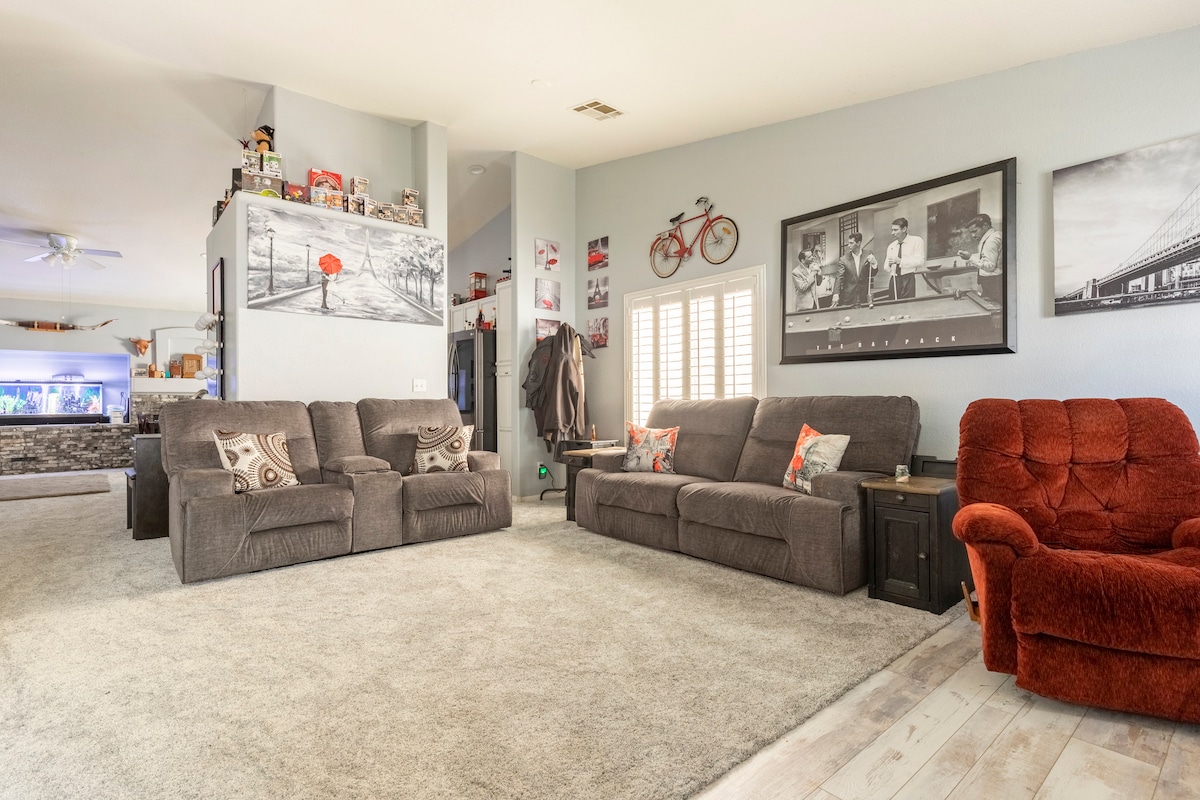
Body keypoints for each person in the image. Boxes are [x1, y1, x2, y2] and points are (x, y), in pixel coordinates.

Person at [957, 213, 1003, 302]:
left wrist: (970, 257)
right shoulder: (995, 235)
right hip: (993, 282)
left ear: (985, 226)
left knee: (992, 308)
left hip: (993, 283)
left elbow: (990, 266)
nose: (973, 235)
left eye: (975, 231)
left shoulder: (990, 241)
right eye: (971, 232)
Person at [833, 232, 878, 306]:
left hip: (864, 296)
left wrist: (874, 264)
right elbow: (839, 277)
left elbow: (872, 273)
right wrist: (836, 293)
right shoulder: (843, 259)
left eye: (851, 243)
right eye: (848, 243)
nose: (849, 245)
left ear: (858, 243)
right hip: (849, 297)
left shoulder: (868, 254)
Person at [884, 217, 925, 300]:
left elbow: (920, 261)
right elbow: (886, 268)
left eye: (895, 230)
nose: (892, 233)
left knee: (907, 305)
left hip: (908, 279)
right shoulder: (891, 246)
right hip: (894, 280)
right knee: (892, 305)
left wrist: (900, 261)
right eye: (892, 230)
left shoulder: (916, 241)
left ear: (904, 229)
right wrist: (889, 264)